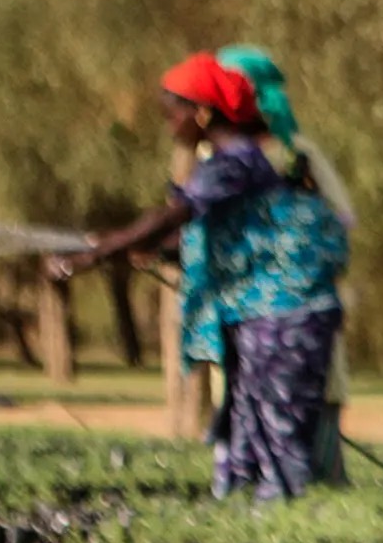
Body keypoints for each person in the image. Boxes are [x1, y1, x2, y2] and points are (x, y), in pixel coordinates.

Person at [52, 52, 347, 502]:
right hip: (257, 314)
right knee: (246, 427)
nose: (169, 125)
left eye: (173, 113)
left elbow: (174, 215)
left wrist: (93, 254)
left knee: (278, 431)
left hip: (287, 315)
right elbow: (205, 234)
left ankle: (285, 532)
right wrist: (140, 249)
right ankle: (247, 521)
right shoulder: (230, 164)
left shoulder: (236, 162)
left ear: (203, 113)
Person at [218, 45, 356, 484]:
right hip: (243, 314)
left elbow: (339, 224)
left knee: (304, 401)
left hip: (296, 310)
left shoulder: (297, 153)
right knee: (246, 403)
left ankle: (311, 492)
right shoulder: (216, 157)